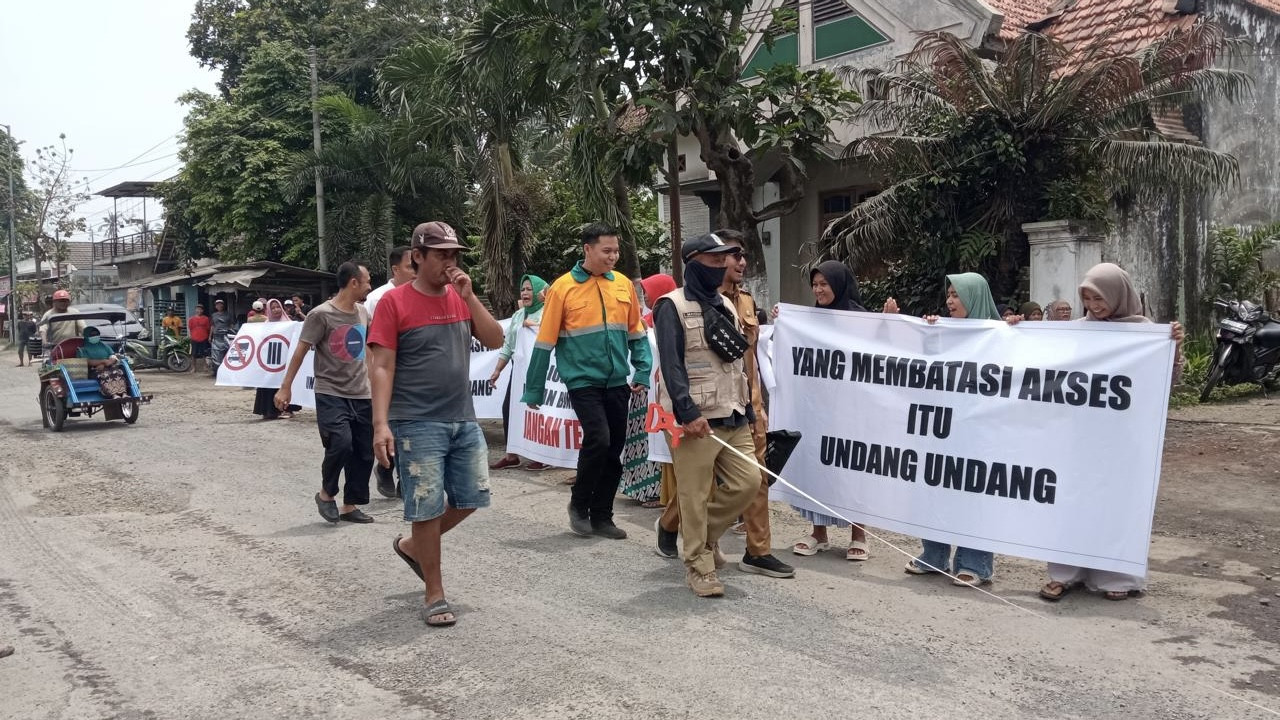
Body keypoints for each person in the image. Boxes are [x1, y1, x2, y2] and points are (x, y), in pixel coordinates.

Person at [369, 220, 504, 627]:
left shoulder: (461, 297)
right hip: (415, 421)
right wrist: (381, 424)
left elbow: (496, 339)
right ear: (418, 256)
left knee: (471, 497)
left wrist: (470, 296)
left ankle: (413, 547)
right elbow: (381, 366)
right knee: (425, 507)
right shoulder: (395, 303)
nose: (449, 261)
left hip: (462, 416)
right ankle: (435, 592)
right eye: (441, 254)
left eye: (454, 254)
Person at [1038, 262, 1184, 603]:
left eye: (1099, 298)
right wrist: (1015, 329)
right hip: (1081, 437)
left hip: (1123, 438)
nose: (1093, 306)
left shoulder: (1143, 332)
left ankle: (1115, 575)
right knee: (1072, 502)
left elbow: (1167, 382)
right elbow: (1040, 358)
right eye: (1086, 298)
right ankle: (1063, 573)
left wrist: (1172, 346)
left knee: (1117, 503)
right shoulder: (1077, 331)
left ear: (1118, 294)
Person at [655, 231, 795, 578]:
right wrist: (687, 414)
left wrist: (749, 410)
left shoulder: (729, 304)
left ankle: (698, 536)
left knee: (748, 483)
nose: (722, 266)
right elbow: (672, 367)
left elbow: (738, 366)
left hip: (734, 414)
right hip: (695, 420)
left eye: (724, 260)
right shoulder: (671, 306)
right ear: (693, 263)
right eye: (714, 260)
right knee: (694, 494)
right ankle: (700, 570)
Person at [522, 223, 652, 539]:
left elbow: (636, 332)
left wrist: (643, 369)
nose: (613, 257)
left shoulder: (622, 285)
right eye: (606, 251)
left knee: (614, 447)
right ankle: (579, 505)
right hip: (582, 381)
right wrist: (534, 389)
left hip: (617, 381)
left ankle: (603, 516)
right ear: (587, 250)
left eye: (616, 251)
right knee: (599, 438)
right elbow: (544, 341)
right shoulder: (562, 288)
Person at [905, 272, 1005, 587]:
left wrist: (1017, 329)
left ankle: (975, 563)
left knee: (975, 493)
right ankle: (934, 555)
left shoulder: (1000, 336)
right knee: (936, 488)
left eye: (956, 295)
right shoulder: (942, 331)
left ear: (974, 297)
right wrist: (930, 334)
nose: (949, 301)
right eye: (948, 294)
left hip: (980, 431)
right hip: (942, 428)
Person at [789, 261, 890, 562]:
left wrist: (888, 325)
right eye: (815, 284)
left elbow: (881, 356)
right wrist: (783, 324)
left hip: (852, 411)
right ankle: (818, 532)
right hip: (817, 409)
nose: (819, 290)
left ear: (840, 284)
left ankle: (859, 535)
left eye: (825, 284)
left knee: (851, 468)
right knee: (818, 465)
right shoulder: (808, 320)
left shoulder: (861, 321)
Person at [277, 261, 377, 525]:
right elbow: (300, 350)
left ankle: (350, 505)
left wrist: (377, 382)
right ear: (353, 282)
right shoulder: (320, 314)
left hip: (362, 393)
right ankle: (327, 494)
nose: (370, 285)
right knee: (341, 444)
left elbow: (370, 349)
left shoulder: (364, 313)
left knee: (364, 452)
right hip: (331, 392)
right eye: (367, 280)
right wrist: (286, 386)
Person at [489, 274, 551, 471]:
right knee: (510, 409)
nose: (525, 293)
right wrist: (498, 369)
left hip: (542, 369)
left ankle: (541, 455)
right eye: (523, 289)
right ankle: (511, 455)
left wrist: (532, 326)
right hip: (519, 370)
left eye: (529, 289)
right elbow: (509, 345)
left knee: (539, 412)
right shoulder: (518, 316)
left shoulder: (548, 312)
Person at [253, 299, 300, 420]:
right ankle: (268, 410)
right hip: (270, 360)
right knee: (268, 384)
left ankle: (287, 409)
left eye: (278, 307)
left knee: (284, 383)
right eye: (272, 308)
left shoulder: (289, 323)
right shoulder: (266, 325)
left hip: (285, 359)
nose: (276, 310)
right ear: (268, 310)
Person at [76, 326, 128, 398]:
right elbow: (87, 361)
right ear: (87, 336)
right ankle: (113, 394)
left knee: (118, 372)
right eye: (92, 335)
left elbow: (112, 356)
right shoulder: (82, 349)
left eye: (97, 335)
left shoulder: (104, 346)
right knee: (105, 375)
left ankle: (124, 393)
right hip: (93, 370)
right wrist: (103, 362)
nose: (95, 337)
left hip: (109, 367)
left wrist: (110, 361)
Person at [365, 245, 415, 318]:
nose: (416, 271)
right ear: (395, 270)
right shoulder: (377, 299)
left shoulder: (422, 298)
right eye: (410, 267)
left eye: (417, 266)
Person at [209, 299, 235, 375]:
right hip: (216, 336)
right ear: (215, 306)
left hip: (226, 336)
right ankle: (216, 371)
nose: (219, 306)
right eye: (217, 304)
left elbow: (232, 325)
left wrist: (231, 334)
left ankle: (227, 370)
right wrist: (210, 336)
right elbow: (212, 326)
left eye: (221, 304)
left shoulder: (228, 315)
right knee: (216, 354)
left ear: (223, 305)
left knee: (227, 353)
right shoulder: (214, 315)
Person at [188, 304, 211, 373]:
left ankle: (205, 367)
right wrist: (190, 336)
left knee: (204, 353)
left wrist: (208, 336)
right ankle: (194, 368)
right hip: (194, 338)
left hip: (203, 338)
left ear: (203, 310)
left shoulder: (206, 319)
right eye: (197, 309)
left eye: (200, 309)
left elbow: (208, 328)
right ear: (195, 310)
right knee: (193, 354)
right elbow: (190, 328)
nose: (199, 310)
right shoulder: (191, 319)